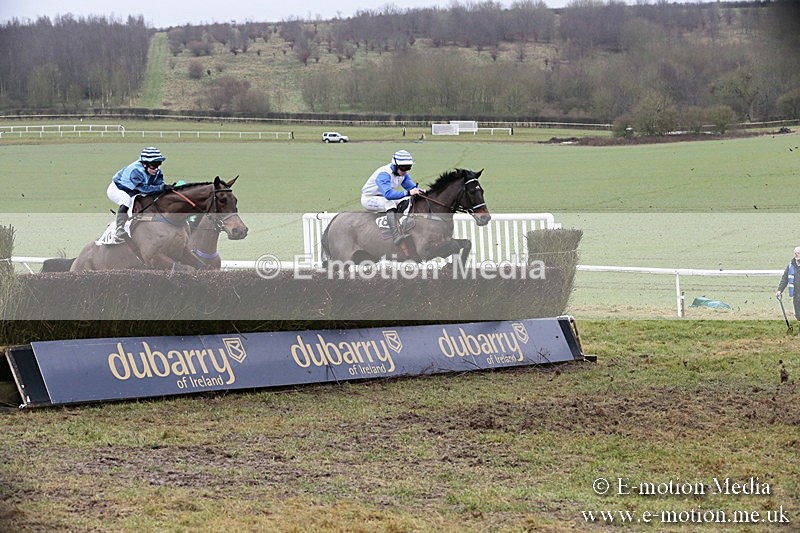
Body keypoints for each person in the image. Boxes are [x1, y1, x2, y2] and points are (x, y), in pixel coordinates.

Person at [106, 147, 171, 242]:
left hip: (134, 191)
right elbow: (144, 189)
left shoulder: (157, 171)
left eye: (158, 164)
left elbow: (158, 187)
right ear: (144, 164)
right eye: (153, 165)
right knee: (126, 201)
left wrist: (166, 189)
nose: (156, 169)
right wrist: (162, 188)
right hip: (117, 189)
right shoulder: (136, 171)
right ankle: (119, 229)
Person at [360, 149, 422, 244]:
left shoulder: (403, 174)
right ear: (395, 165)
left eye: (408, 167)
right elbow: (388, 195)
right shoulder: (384, 174)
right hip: (369, 198)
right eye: (403, 168)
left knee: (407, 200)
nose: (405, 171)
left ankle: (405, 226)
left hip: (383, 197)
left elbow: (412, 188)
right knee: (390, 203)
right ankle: (396, 235)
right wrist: (408, 192)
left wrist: (421, 191)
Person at [776, 246, 800, 324]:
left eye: (799, 253)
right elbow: (785, 278)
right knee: (798, 315)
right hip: (796, 295)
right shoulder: (791, 265)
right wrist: (780, 290)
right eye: (795, 253)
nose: (797, 255)